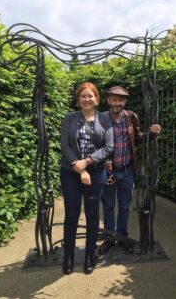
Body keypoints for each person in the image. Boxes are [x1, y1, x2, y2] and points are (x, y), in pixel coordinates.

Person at [99, 86, 161, 255]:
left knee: (125, 206)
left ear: (125, 102)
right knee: (109, 206)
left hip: (127, 171)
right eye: (114, 99)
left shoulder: (131, 117)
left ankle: (123, 237)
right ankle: (110, 239)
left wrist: (151, 133)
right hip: (109, 172)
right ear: (108, 101)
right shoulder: (101, 118)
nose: (117, 103)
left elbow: (139, 138)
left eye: (121, 100)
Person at [60, 82, 114, 275]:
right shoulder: (70, 118)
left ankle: (90, 255)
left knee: (92, 216)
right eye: (83, 96)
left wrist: (88, 161)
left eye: (90, 96)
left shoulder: (105, 120)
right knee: (72, 215)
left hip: (97, 173)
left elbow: (109, 148)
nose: (87, 99)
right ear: (78, 99)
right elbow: (65, 145)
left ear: (97, 99)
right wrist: (79, 167)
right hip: (70, 173)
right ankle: (68, 256)